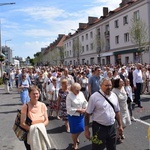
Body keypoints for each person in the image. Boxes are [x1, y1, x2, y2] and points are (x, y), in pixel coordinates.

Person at [85, 78, 123, 150]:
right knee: (98, 148)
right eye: (106, 85)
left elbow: (117, 111)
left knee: (112, 147)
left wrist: (120, 125)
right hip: (99, 128)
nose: (108, 87)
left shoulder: (114, 96)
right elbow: (87, 114)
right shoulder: (94, 97)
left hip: (112, 127)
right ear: (100, 85)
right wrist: (86, 130)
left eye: (110, 85)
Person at [20, 86, 51, 150]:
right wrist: (33, 130)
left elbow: (46, 120)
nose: (35, 95)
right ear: (29, 95)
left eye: (37, 93)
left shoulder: (43, 105)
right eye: (33, 94)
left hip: (42, 133)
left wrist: (39, 129)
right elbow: (22, 123)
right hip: (31, 135)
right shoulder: (25, 107)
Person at [66, 83, 88, 150]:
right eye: (77, 90)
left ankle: (75, 137)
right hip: (73, 116)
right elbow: (68, 108)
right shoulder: (69, 96)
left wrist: (85, 108)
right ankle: (75, 144)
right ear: (72, 89)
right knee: (74, 131)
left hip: (81, 115)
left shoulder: (81, 93)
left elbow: (85, 102)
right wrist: (78, 110)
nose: (78, 91)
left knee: (81, 129)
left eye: (79, 89)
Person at [112, 78, 131, 143]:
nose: (123, 82)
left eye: (123, 81)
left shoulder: (123, 88)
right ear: (117, 83)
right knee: (121, 124)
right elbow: (113, 101)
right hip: (119, 110)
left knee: (125, 123)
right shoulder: (114, 91)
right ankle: (118, 137)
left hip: (125, 108)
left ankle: (121, 132)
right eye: (121, 81)